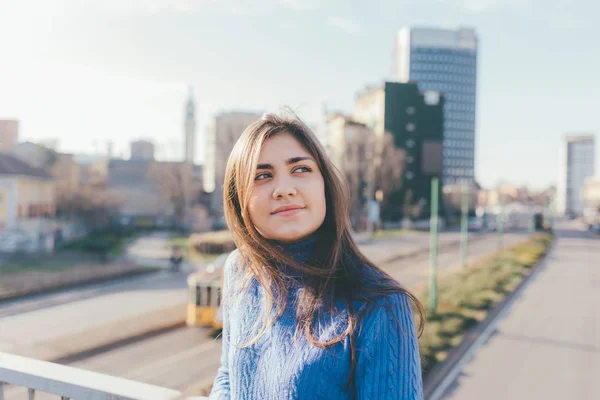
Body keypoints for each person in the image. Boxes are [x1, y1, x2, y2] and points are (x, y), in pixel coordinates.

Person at [210, 111, 424, 399]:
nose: (284, 189)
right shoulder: (239, 268)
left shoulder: (379, 304)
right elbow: (229, 377)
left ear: (325, 184)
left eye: (300, 169)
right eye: (262, 175)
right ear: (240, 201)